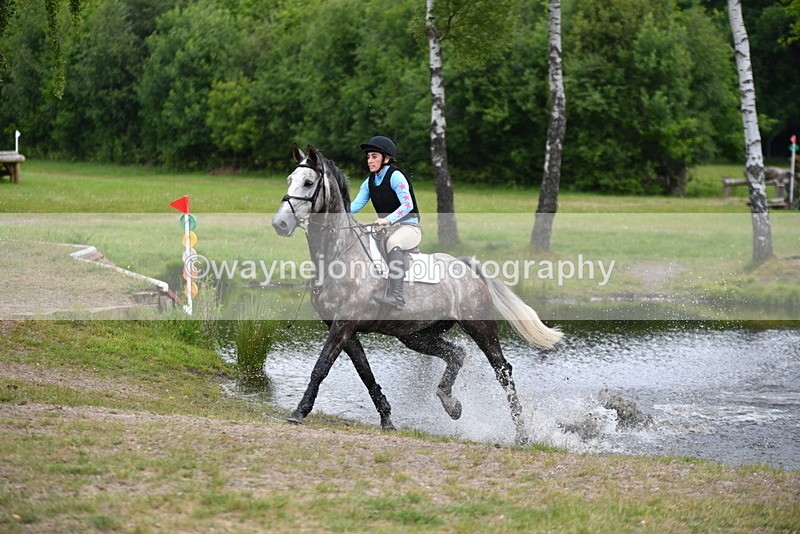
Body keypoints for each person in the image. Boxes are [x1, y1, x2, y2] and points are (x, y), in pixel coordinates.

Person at [351, 135, 421, 310]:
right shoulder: (370, 182)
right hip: (388, 228)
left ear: (386, 158)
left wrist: (387, 219)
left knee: (393, 242)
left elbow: (408, 205)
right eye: (368, 157)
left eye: (374, 156)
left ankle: (397, 296)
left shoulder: (396, 176)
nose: (370, 161)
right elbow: (354, 206)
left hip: (409, 228)